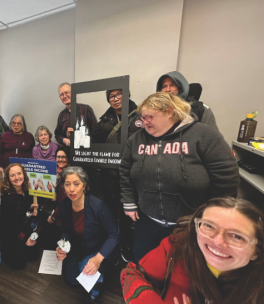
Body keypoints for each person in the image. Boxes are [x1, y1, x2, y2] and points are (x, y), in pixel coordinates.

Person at [120, 92, 239, 263]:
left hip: (189, 225)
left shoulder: (203, 135)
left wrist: (215, 216)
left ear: (169, 111)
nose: (144, 122)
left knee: (184, 271)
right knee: (145, 265)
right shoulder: (136, 139)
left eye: (150, 117)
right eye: (143, 117)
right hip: (147, 221)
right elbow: (125, 171)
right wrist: (129, 201)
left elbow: (226, 177)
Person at [121, 197, 264, 304]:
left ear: (257, 251)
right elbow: (133, 274)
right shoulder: (176, 248)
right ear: (196, 227)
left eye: (237, 236)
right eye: (209, 226)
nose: (218, 241)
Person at [91, 89, 143, 262]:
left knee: (128, 215)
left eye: (119, 94)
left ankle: (125, 244)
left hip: (132, 177)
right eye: (112, 96)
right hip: (109, 178)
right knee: (111, 212)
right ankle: (112, 243)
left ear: (127, 95)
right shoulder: (104, 121)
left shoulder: (140, 116)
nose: (116, 99)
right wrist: (77, 137)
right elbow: (93, 142)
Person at [55, 166, 120, 302]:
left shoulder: (98, 205)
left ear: (84, 185)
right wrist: (63, 245)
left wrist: (98, 258)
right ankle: (91, 267)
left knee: (87, 268)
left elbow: (114, 235)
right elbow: (66, 230)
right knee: (72, 280)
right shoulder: (64, 205)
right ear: (63, 187)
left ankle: (101, 278)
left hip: (100, 248)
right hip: (81, 247)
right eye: (67, 185)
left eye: (76, 184)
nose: (71, 189)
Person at [0, 163, 43, 270]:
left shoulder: (26, 190)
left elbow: (23, 210)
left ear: (24, 174)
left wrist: (32, 208)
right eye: (12, 175)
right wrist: (24, 239)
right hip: (10, 232)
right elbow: (11, 223)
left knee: (33, 256)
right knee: (19, 263)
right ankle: (1, 249)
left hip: (23, 226)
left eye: (19, 173)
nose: (17, 177)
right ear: (8, 178)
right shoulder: (7, 197)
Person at [54, 82, 97, 147]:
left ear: (73, 93)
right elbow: (57, 134)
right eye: (62, 94)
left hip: (85, 151)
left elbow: (96, 132)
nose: (64, 96)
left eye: (66, 93)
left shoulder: (86, 109)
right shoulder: (61, 115)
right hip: (68, 152)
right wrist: (64, 139)